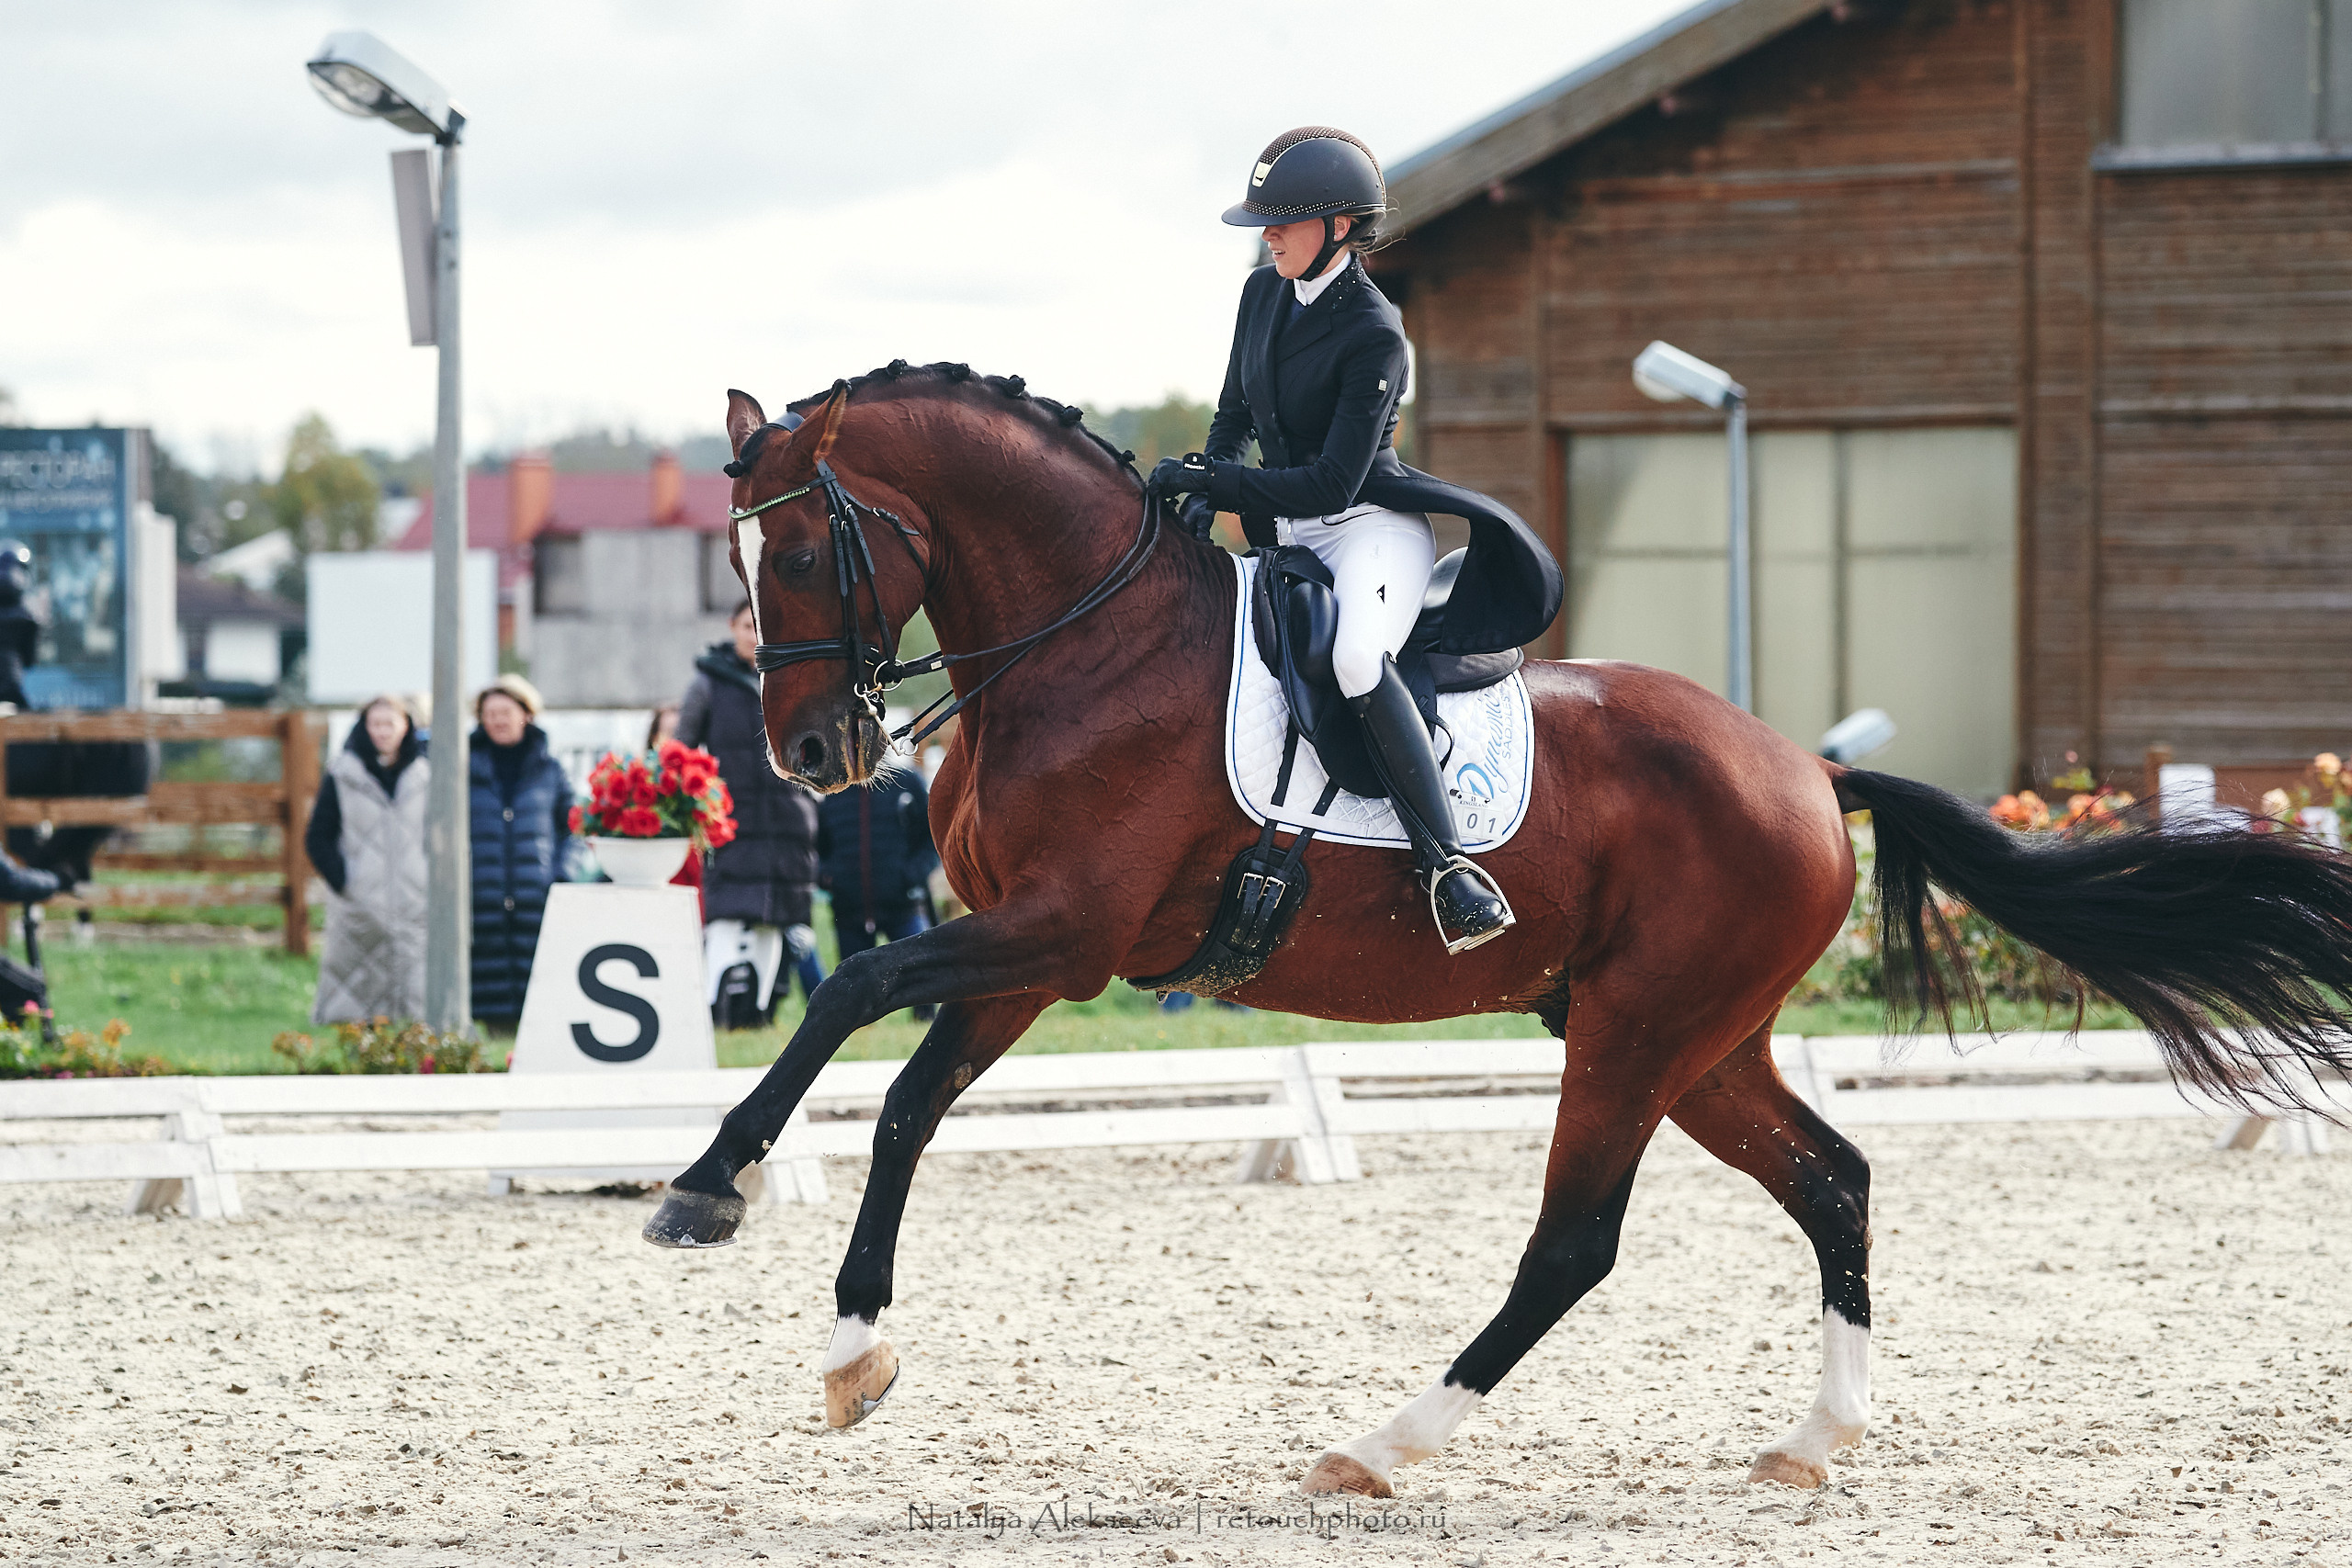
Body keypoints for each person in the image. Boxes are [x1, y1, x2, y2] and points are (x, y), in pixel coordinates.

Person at [1145, 127, 1562, 954]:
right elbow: (1231, 417)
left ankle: (1449, 866)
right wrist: (1206, 480)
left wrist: (1215, 485)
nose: (1267, 235)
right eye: (1263, 223)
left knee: (1355, 661)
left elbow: (1335, 483)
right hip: (1286, 528)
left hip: (1368, 529)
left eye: (1281, 223)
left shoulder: (1375, 332)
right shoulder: (1262, 295)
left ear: (1338, 226)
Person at [680, 602, 824, 1027]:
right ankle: (712, 1013)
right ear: (732, 628)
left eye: (763, 628)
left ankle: (761, 1015)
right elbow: (681, 751)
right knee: (725, 921)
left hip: (789, 822)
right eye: (748, 627)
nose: (756, 637)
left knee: (774, 923)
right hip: (733, 822)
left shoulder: (797, 680)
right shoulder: (707, 683)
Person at [305, 694, 429, 1023]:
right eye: (376, 723)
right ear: (364, 727)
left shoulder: (426, 776)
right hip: (360, 905)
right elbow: (318, 838)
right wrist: (347, 882)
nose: (383, 731)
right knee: (357, 1004)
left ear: (406, 727)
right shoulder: (343, 774)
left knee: (416, 1003)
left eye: (390, 723)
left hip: (415, 902)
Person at [468, 674, 571, 1029]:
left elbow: (572, 827)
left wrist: (560, 874)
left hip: (536, 893)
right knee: (487, 971)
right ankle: (493, 1032)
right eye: (489, 713)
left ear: (526, 714)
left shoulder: (550, 770)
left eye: (505, 712)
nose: (497, 720)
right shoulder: (463, 768)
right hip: (481, 891)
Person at [815, 770, 939, 1021]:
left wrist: (911, 875)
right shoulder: (834, 790)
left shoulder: (907, 783)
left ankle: (924, 1026)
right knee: (852, 993)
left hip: (903, 905)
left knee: (922, 980)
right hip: (849, 909)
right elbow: (819, 845)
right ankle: (858, 1033)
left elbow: (933, 837)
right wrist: (829, 877)